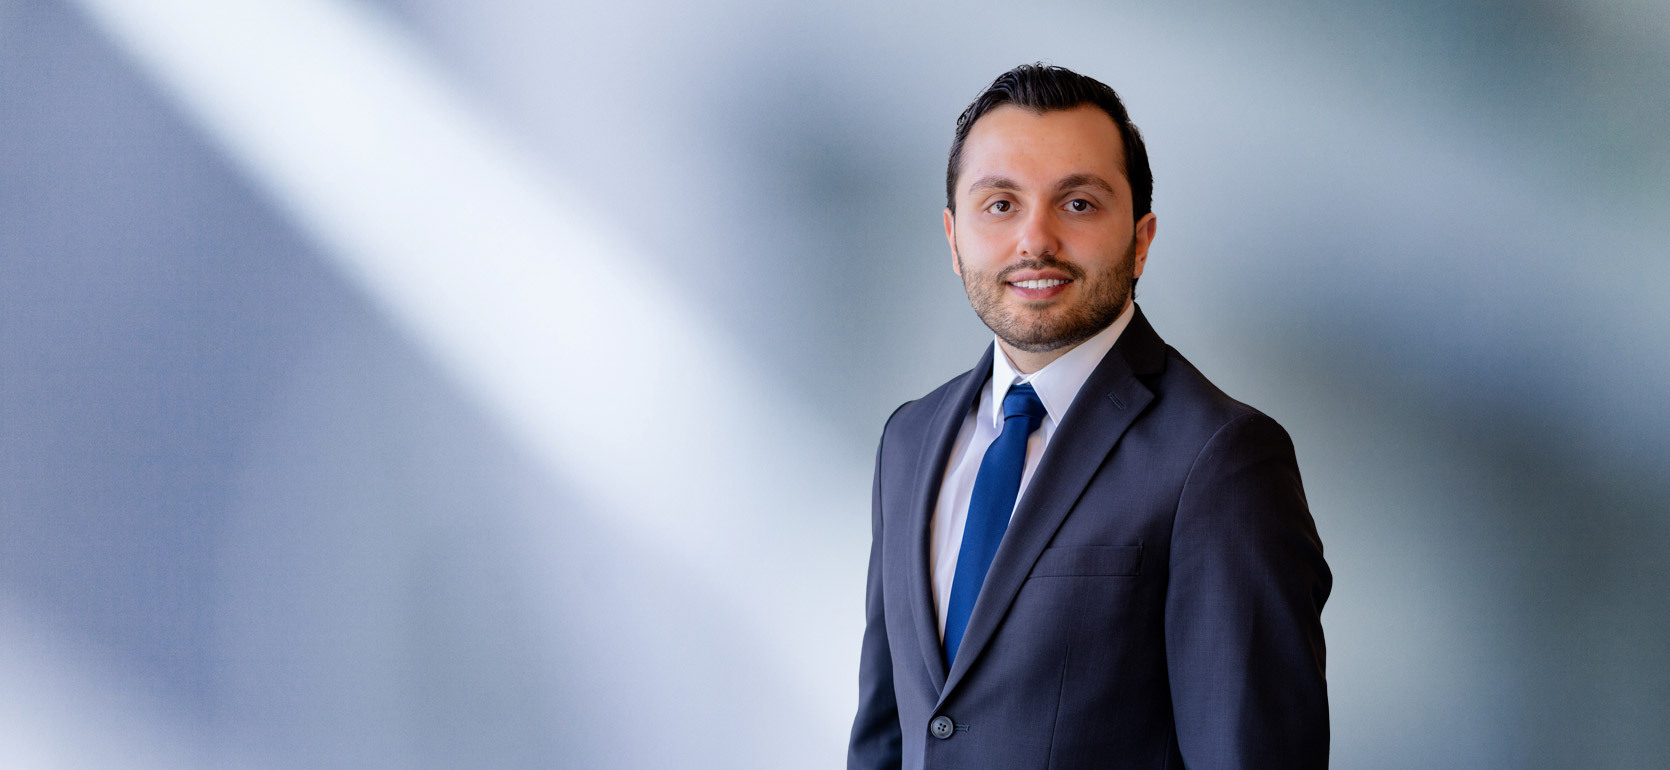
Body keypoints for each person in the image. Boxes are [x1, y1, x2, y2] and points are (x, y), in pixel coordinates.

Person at [847, 63, 1332, 770]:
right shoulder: (909, 440)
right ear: (953, 238)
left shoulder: (1222, 458)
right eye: (1000, 205)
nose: (1034, 240)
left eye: (1078, 204)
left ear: (1141, 237)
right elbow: (887, 738)